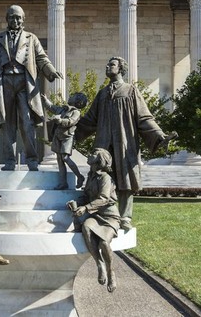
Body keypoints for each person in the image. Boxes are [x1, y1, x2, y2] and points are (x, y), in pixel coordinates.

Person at [75, 57, 176, 230]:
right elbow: (90, 120)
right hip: (104, 143)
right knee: (102, 177)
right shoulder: (102, 94)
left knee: (126, 178)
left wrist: (159, 136)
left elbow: (144, 118)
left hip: (125, 141)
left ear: (121, 69)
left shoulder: (131, 91)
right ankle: (102, 214)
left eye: (112, 65)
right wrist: (71, 132)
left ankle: (125, 217)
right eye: (107, 64)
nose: (107, 67)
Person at [0, 5, 63, 171]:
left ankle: (32, 160)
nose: (16, 20)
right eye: (12, 17)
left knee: (27, 123)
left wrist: (51, 72)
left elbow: (42, 58)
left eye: (19, 17)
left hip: (24, 83)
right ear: (7, 19)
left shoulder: (31, 38)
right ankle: (10, 161)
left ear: (23, 19)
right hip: (5, 83)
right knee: (7, 124)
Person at [67, 148, 121, 293]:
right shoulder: (91, 176)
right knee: (86, 227)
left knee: (104, 243)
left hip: (109, 216)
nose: (89, 155)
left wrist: (85, 208)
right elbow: (86, 196)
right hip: (95, 216)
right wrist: (77, 204)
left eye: (93, 153)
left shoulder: (105, 178)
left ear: (99, 159)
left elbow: (103, 198)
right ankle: (99, 264)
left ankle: (111, 272)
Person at [42, 93, 88, 189]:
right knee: (59, 159)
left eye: (72, 96)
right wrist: (45, 100)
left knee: (65, 157)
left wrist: (59, 121)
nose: (70, 96)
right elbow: (52, 107)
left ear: (78, 102)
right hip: (58, 136)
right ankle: (63, 183)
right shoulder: (63, 109)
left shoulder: (76, 112)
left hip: (67, 137)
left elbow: (71, 122)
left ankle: (80, 177)